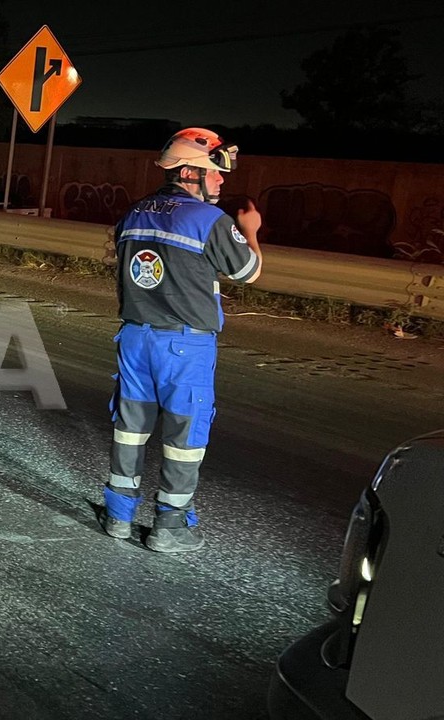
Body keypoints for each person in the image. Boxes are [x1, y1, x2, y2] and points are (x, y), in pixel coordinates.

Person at [102, 127, 263, 553]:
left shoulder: (134, 213)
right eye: (215, 173)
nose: (221, 181)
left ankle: (118, 515)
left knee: (130, 429)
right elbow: (248, 272)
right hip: (184, 345)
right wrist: (250, 230)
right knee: (185, 436)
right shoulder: (211, 221)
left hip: (135, 339)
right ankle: (169, 525)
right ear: (189, 172)